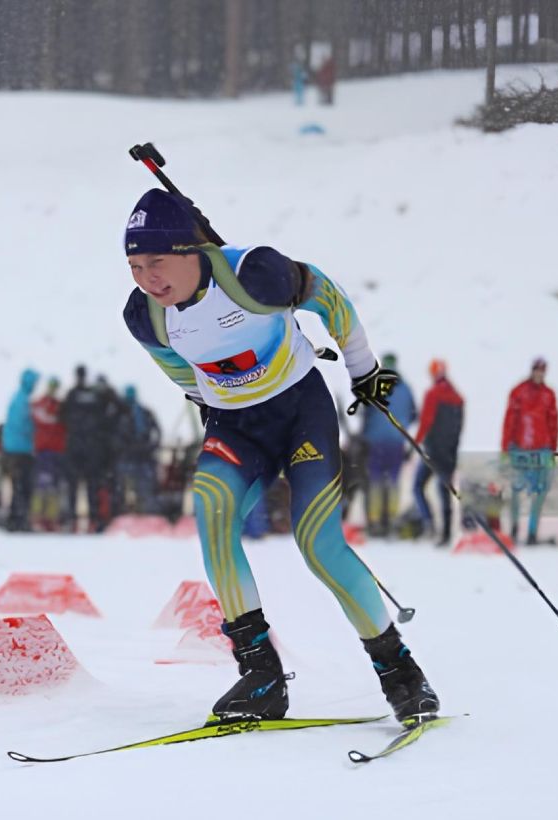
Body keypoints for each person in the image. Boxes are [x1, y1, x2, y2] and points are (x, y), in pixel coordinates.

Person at [122, 188, 438, 726]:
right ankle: (261, 675)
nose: (147, 278)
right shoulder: (145, 315)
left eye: (156, 261)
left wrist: (363, 370)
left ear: (191, 249)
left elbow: (329, 298)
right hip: (235, 427)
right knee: (212, 514)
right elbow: (174, 366)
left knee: (317, 544)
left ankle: (400, 672)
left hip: (299, 414)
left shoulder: (254, 273)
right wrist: (206, 399)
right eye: (134, 266)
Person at [501, 357, 558, 545]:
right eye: (537, 370)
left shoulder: (548, 395)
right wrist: (505, 447)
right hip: (520, 449)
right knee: (516, 491)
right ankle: (514, 528)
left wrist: (553, 450)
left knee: (539, 493)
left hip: (542, 450)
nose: (539, 374)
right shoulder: (519, 392)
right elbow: (510, 420)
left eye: (542, 371)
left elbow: (553, 423)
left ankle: (532, 532)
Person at [361, 352, 416, 537]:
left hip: (375, 441)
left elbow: (365, 413)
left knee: (375, 480)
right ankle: (392, 520)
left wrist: (365, 435)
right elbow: (414, 414)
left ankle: (375, 521)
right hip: (397, 441)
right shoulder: (405, 388)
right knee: (393, 480)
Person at [413, 359, 464, 546]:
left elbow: (426, 421)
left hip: (432, 451)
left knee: (418, 486)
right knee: (445, 492)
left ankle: (429, 523)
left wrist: (416, 442)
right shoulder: (457, 397)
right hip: (449, 453)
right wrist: (452, 450)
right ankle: (446, 533)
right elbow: (458, 428)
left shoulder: (432, 394)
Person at [61, 365, 115, 532]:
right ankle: (93, 520)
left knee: (74, 487)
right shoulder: (94, 395)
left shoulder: (72, 394)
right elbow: (106, 415)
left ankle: (73, 521)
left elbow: (62, 416)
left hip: (76, 446)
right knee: (92, 486)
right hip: (92, 447)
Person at [114, 385, 162, 515]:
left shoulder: (124, 414)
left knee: (130, 488)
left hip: (137, 457)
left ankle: (134, 513)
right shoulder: (142, 413)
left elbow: (157, 432)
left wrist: (150, 446)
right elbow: (157, 432)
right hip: (138, 456)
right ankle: (141, 513)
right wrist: (152, 446)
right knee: (139, 488)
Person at [1, 368, 38, 532]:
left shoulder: (18, 398)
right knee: (23, 486)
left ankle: (15, 519)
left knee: (17, 486)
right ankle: (19, 520)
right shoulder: (22, 401)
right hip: (21, 451)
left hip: (12, 449)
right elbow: (25, 426)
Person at [30, 377, 68, 531]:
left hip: (56, 451)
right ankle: (38, 517)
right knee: (42, 486)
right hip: (45, 451)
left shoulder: (59, 406)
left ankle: (51, 518)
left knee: (53, 487)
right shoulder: (41, 405)